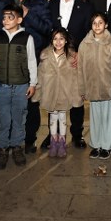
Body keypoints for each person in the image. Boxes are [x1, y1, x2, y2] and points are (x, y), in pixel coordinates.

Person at [0, 0, 51, 154]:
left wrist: (29, 16)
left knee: (30, 103)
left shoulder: (40, 3)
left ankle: (28, 140)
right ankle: (7, 141)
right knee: (5, 105)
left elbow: (48, 29)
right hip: (5, 63)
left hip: (31, 61)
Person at [43, 0, 93, 150]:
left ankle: (77, 135)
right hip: (54, 59)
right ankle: (53, 135)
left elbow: (89, 34)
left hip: (75, 59)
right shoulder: (49, 6)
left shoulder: (85, 8)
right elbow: (45, 31)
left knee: (76, 98)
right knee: (54, 97)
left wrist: (81, 53)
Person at [0, 4, 38, 170]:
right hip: (1, 86)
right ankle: (2, 149)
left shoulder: (27, 38)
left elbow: (32, 61)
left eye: (10, 17)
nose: (6, 20)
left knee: (18, 118)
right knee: (2, 119)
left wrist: (32, 83)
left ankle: (17, 147)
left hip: (20, 86)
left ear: (19, 19)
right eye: (4, 17)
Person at [34, 28, 81, 157]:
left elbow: (76, 77)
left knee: (63, 118)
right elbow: (40, 75)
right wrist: (38, 91)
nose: (58, 42)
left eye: (61, 38)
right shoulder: (45, 56)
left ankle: (62, 143)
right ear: (51, 41)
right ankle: (53, 142)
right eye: (55, 39)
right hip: (50, 93)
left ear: (66, 40)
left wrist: (77, 94)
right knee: (53, 118)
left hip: (65, 94)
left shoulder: (71, 57)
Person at [78, 12, 111, 159]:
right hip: (92, 87)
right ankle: (96, 145)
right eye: (94, 23)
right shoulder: (84, 44)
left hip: (107, 87)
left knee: (107, 118)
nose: (97, 26)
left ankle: (107, 146)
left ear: (106, 25)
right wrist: (82, 88)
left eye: (100, 23)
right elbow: (80, 68)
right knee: (95, 118)